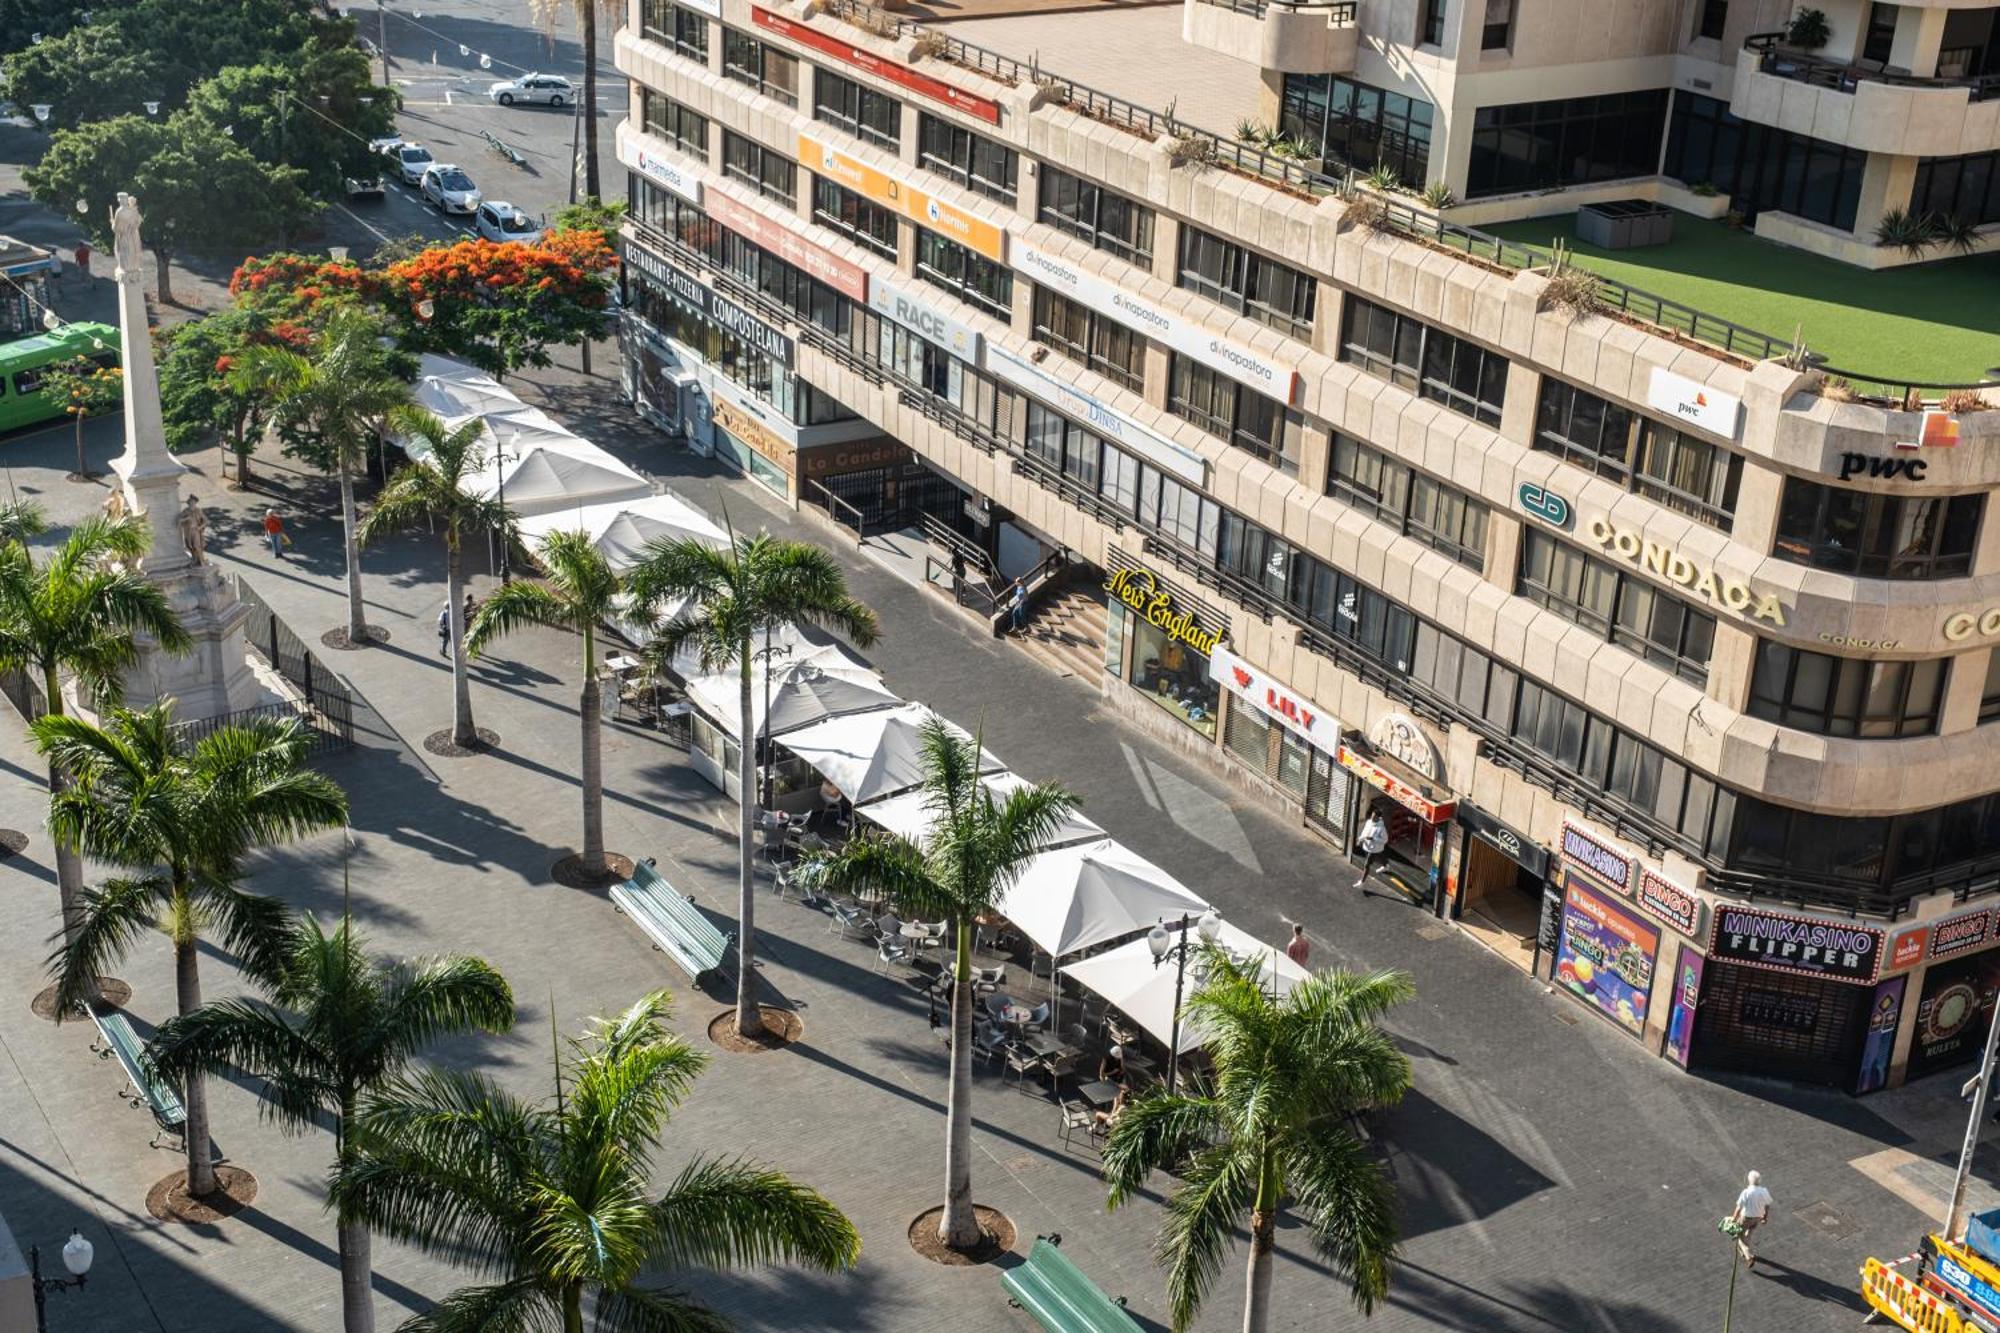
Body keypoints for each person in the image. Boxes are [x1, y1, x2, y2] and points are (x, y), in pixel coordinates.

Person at [1730, 1170, 1773, 1267]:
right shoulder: (1764, 1191)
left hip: (1746, 1218)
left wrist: (1734, 1218)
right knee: (1749, 1233)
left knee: (1739, 1235)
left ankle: (1748, 1256)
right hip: (1757, 1217)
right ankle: (1745, 1252)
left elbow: (1739, 1207)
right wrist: (1765, 1218)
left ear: (1749, 1181)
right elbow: (1767, 1205)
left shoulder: (1746, 1192)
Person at [1355, 809, 1390, 888]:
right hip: (1368, 846)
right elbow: (1364, 832)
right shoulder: (1368, 822)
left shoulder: (1381, 828)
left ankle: (1362, 882)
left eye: (1374, 816)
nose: (1372, 817)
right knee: (1379, 855)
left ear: (1378, 817)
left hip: (1373, 849)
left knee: (1366, 865)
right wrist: (1360, 839)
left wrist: (1373, 838)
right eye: (1372, 815)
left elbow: (1385, 840)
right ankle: (1386, 865)